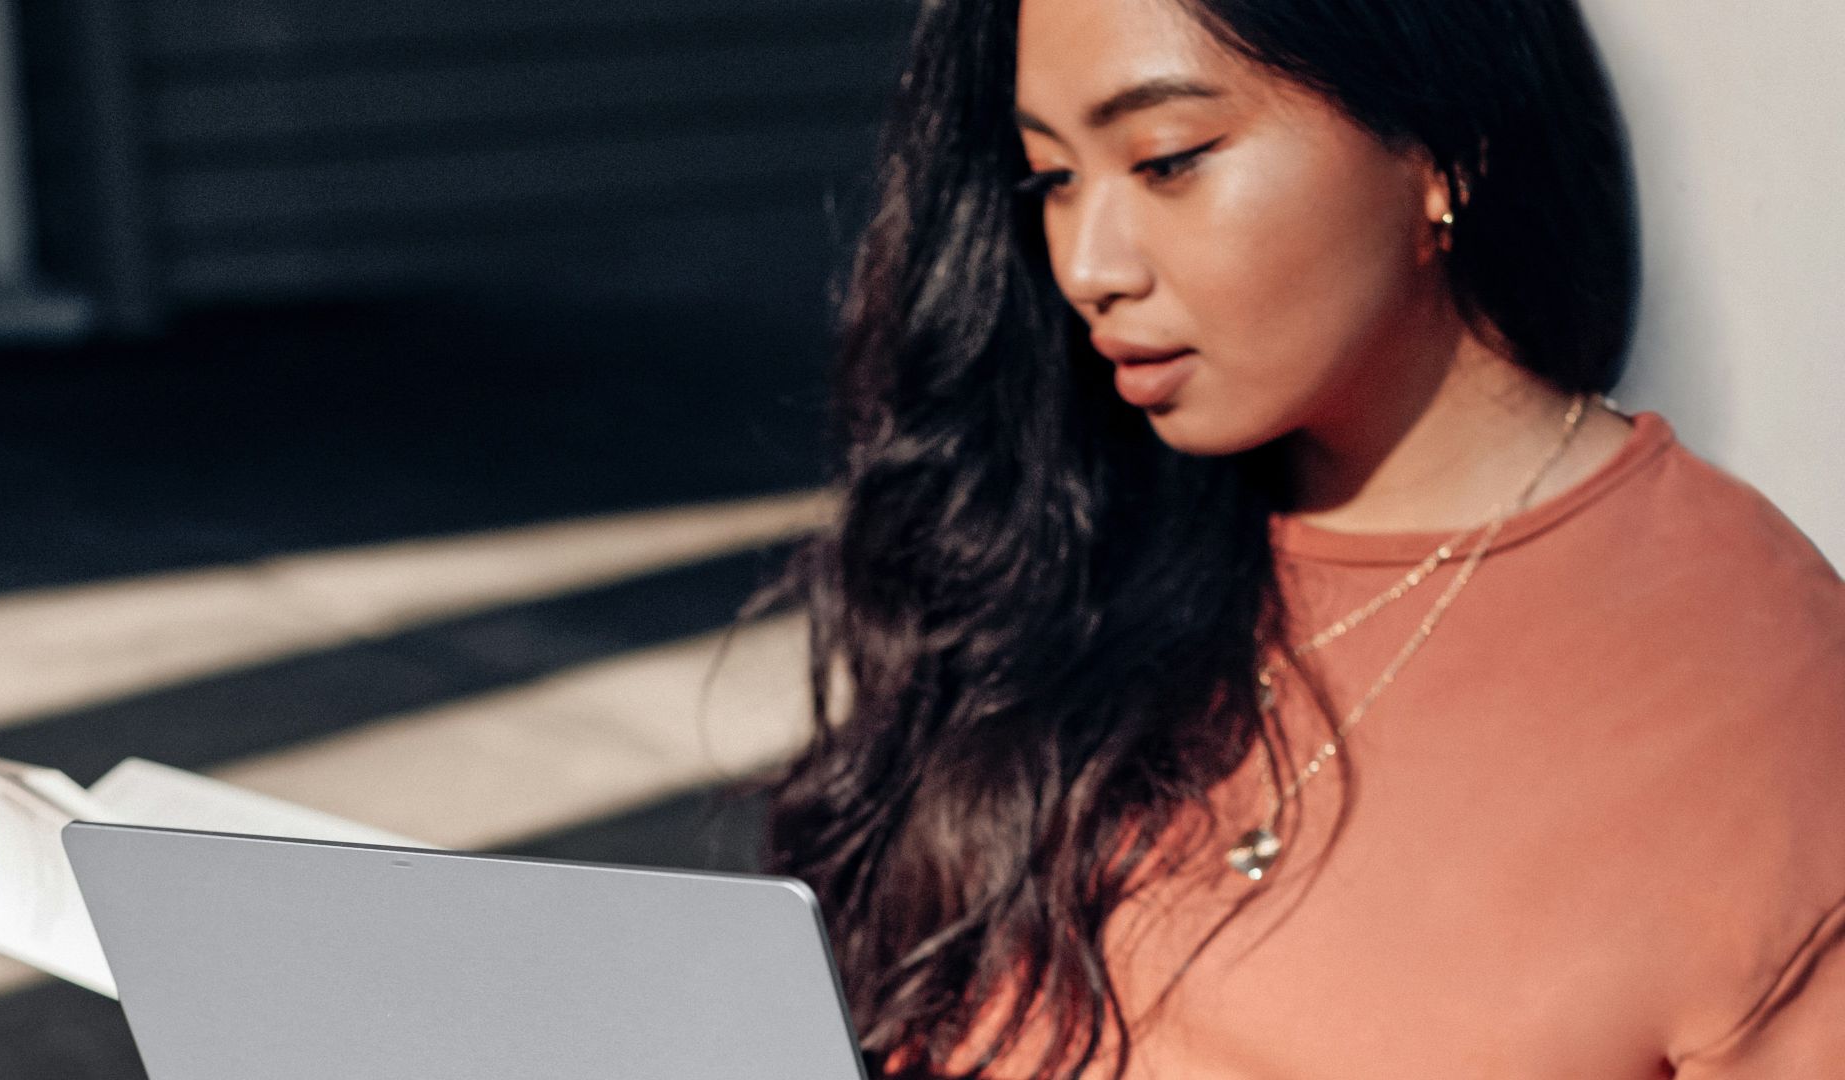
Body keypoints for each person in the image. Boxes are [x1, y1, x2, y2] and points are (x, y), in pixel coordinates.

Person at [759, 0, 1845, 1075]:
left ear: (1441, 150)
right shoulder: (1061, 552)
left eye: (1168, 159)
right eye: (1050, 178)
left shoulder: (1755, 693)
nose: (1089, 265)